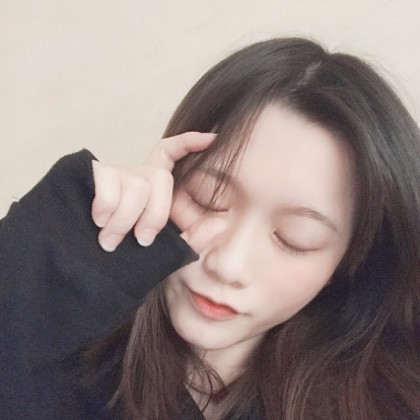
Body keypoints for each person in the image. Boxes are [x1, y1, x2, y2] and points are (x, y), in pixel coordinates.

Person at [0, 38, 419, 420]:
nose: (228, 265)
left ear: (348, 262)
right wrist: (43, 260)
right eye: (207, 199)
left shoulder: (389, 400)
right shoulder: (60, 333)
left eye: (294, 239)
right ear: (169, 178)